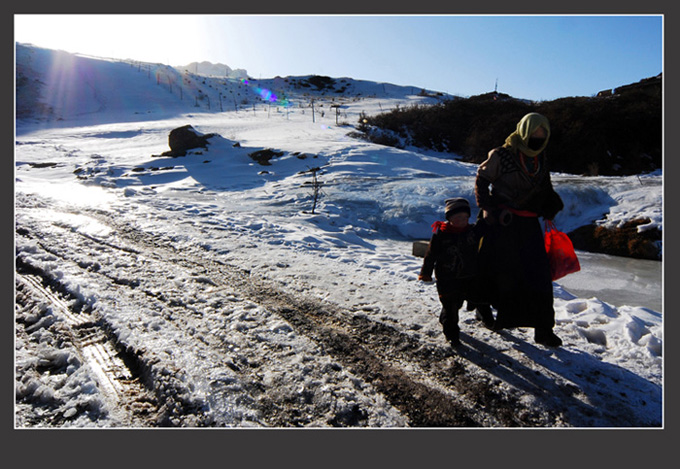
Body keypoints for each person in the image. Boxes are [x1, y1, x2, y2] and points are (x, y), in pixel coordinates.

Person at [474, 112, 564, 347]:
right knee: (495, 271)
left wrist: (550, 205)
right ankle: (484, 309)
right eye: (534, 134)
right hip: (501, 222)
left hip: (528, 224)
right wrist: (487, 209)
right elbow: (482, 180)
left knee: (539, 276)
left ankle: (543, 329)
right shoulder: (501, 154)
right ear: (524, 132)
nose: (537, 138)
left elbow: (545, 186)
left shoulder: (541, 157)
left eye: (542, 135)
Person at [418, 197, 493, 346]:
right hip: (448, 278)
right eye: (458, 217)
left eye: (465, 217)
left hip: (470, 275)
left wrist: (490, 208)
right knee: (451, 306)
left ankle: (488, 320)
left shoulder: (472, 231)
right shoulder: (441, 235)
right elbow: (430, 255)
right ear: (450, 218)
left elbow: (485, 224)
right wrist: (426, 272)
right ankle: (451, 333)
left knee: (480, 298)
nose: (463, 220)